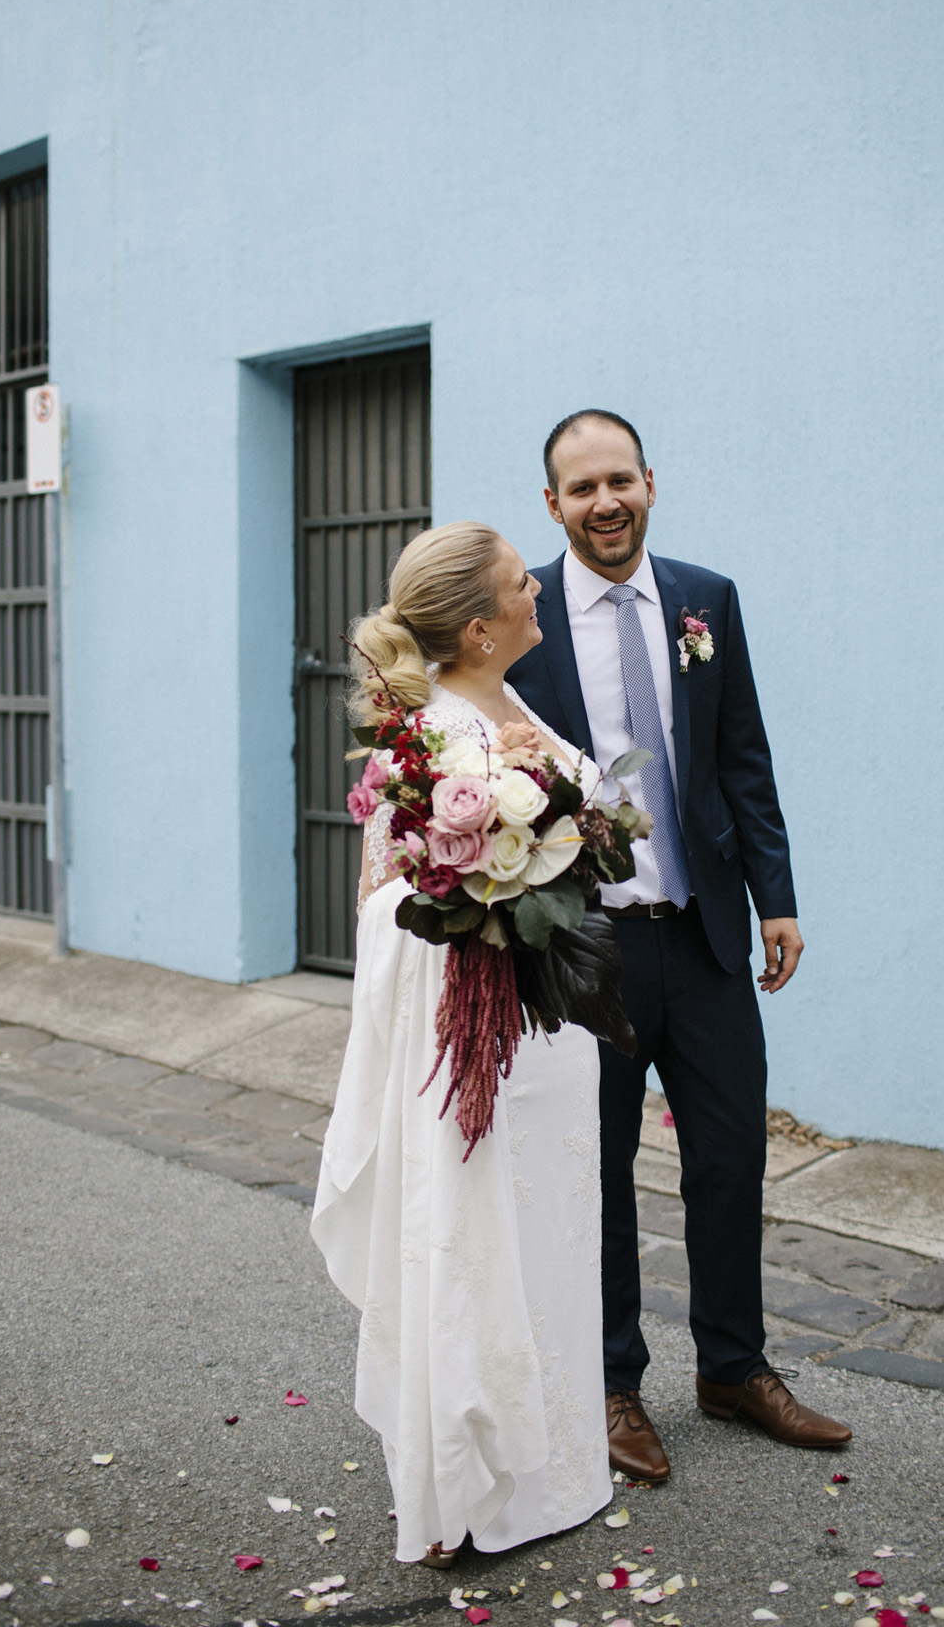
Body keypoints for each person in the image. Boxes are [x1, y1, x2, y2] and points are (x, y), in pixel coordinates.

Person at [509, 410, 852, 1481]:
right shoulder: (515, 613)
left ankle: (733, 1369)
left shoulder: (707, 599)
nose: (605, 502)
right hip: (584, 947)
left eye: (621, 480)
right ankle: (611, 1384)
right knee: (595, 1171)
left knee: (729, 1158)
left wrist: (775, 897)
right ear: (553, 504)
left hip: (702, 933)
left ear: (650, 483)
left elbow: (742, 754)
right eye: (582, 488)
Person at [310, 521, 614, 1566]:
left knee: (550, 1244)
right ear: (480, 629)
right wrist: (496, 875)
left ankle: (556, 1470)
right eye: (520, 583)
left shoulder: (510, 701)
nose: (539, 589)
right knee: (473, 1244)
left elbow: (577, 834)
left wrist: (563, 825)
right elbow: (385, 897)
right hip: (478, 1033)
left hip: (552, 1034)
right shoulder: (431, 738)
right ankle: (465, 1484)